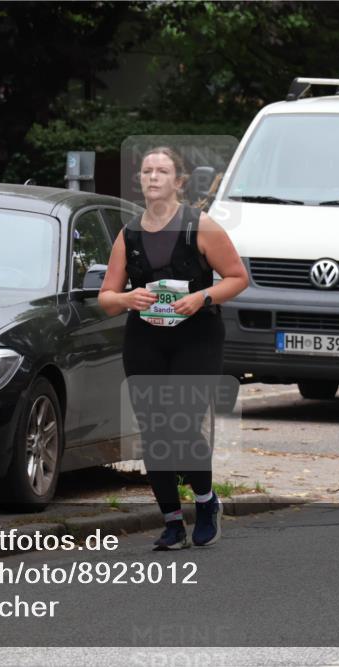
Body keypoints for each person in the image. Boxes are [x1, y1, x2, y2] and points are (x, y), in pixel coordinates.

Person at [99, 147, 247, 550]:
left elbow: (237, 278)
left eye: (162, 171)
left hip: (197, 336)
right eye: (146, 171)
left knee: (181, 424)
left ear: (179, 181)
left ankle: (206, 501)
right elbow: (107, 297)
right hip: (145, 337)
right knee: (153, 430)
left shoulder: (201, 226)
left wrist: (202, 297)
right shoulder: (129, 234)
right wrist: (127, 298)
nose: (152, 177)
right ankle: (171, 522)